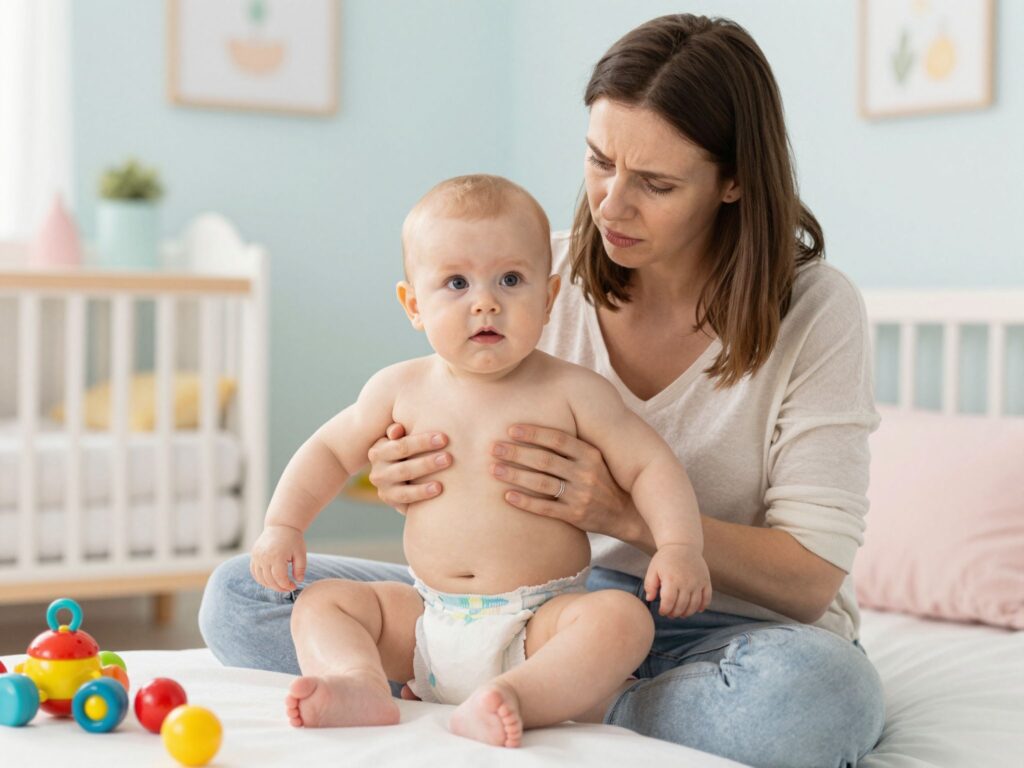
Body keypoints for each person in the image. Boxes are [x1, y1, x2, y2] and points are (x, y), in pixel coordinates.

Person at [200, 13, 885, 767]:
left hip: (725, 626)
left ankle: (581, 694)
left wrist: (622, 513)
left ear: (732, 182)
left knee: (817, 705)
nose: (611, 206)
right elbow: (387, 434)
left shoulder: (815, 311)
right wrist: (403, 477)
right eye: (599, 162)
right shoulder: (522, 269)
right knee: (242, 594)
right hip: (527, 600)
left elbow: (810, 581)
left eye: (655, 183)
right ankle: (488, 679)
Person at [247, 174, 711, 747]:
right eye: (456, 282)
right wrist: (282, 526)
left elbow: (651, 466)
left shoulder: (573, 391)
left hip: (539, 622)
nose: (485, 301)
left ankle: (519, 696)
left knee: (621, 619)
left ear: (548, 298)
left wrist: (679, 546)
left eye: (511, 280)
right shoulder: (399, 388)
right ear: (414, 305)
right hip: (425, 619)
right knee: (321, 602)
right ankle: (359, 682)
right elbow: (327, 450)